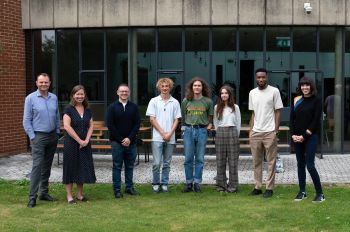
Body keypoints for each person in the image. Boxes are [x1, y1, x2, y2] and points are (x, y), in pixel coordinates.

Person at [23, 73, 60, 208]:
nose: (44, 84)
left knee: (47, 166)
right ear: (36, 83)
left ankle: (44, 192)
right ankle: (32, 197)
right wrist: (33, 137)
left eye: (46, 82)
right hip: (38, 136)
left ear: (50, 83)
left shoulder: (53, 98)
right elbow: (26, 121)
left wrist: (57, 132)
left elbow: (57, 116)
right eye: (41, 82)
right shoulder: (30, 98)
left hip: (52, 136)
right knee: (37, 167)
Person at [248, 68, 283, 198]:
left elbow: (278, 111)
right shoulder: (252, 93)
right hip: (256, 132)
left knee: (271, 161)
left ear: (267, 77)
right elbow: (253, 113)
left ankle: (269, 188)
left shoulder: (274, 91)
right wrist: (251, 130)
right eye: (259, 77)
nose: (261, 79)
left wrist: (276, 130)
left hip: (269, 132)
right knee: (256, 161)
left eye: (263, 77)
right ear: (256, 78)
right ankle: (257, 187)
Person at [290, 77, 325, 203]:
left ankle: (320, 193)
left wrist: (304, 136)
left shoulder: (317, 100)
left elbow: (315, 121)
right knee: (300, 164)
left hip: (311, 137)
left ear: (311, 86)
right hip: (297, 138)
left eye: (307, 85)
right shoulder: (296, 100)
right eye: (302, 85)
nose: (304, 88)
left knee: (310, 165)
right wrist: (293, 135)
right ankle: (302, 191)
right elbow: (292, 119)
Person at [146, 77, 181, 193]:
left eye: (167, 86)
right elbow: (152, 119)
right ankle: (155, 183)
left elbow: (177, 120)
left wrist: (169, 134)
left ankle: (165, 183)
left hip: (170, 138)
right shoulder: (153, 101)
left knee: (167, 163)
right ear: (159, 87)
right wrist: (162, 133)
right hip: (157, 137)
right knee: (156, 163)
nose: (165, 88)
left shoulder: (175, 102)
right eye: (163, 86)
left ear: (170, 88)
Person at [62, 85, 96, 204]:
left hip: (85, 144)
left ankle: (80, 194)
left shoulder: (88, 109)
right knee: (70, 168)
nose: (80, 96)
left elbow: (91, 125)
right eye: (77, 94)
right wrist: (79, 141)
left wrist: (86, 140)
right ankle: (69, 196)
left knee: (82, 168)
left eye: (82, 94)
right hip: (72, 143)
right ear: (73, 95)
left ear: (85, 95)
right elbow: (67, 126)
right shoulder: (68, 109)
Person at [106, 84, 141, 198]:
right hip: (117, 143)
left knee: (130, 166)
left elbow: (137, 124)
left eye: (126, 91)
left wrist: (129, 138)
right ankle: (117, 190)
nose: (124, 93)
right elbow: (110, 125)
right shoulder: (112, 107)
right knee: (117, 166)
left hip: (131, 142)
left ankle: (129, 188)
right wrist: (121, 139)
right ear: (117, 92)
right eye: (122, 91)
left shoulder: (134, 107)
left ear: (129, 93)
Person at [181, 77, 213, 193]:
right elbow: (184, 116)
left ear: (202, 87)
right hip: (189, 130)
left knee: (200, 158)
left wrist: (207, 126)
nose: (197, 87)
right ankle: (189, 183)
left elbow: (210, 117)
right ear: (191, 87)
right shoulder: (186, 101)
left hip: (202, 131)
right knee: (188, 158)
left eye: (199, 85)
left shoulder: (208, 101)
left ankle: (197, 183)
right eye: (195, 85)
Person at [213, 86, 241, 193]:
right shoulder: (216, 107)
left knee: (233, 161)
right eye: (222, 93)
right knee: (220, 160)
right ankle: (221, 185)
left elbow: (238, 122)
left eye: (226, 93)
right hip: (220, 132)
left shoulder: (235, 107)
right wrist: (219, 131)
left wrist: (235, 135)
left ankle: (233, 185)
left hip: (233, 132)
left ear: (229, 95)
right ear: (220, 95)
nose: (224, 95)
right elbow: (215, 122)